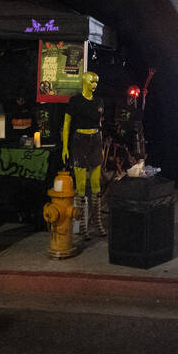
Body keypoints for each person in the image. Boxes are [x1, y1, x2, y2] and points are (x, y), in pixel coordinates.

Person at [61, 71, 105, 237]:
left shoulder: (99, 101)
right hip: (80, 140)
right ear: (84, 82)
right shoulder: (75, 101)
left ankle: (98, 222)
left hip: (95, 139)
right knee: (80, 186)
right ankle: (82, 225)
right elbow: (66, 124)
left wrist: (100, 145)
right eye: (92, 81)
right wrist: (65, 147)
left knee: (95, 184)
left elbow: (100, 125)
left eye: (96, 82)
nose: (94, 85)